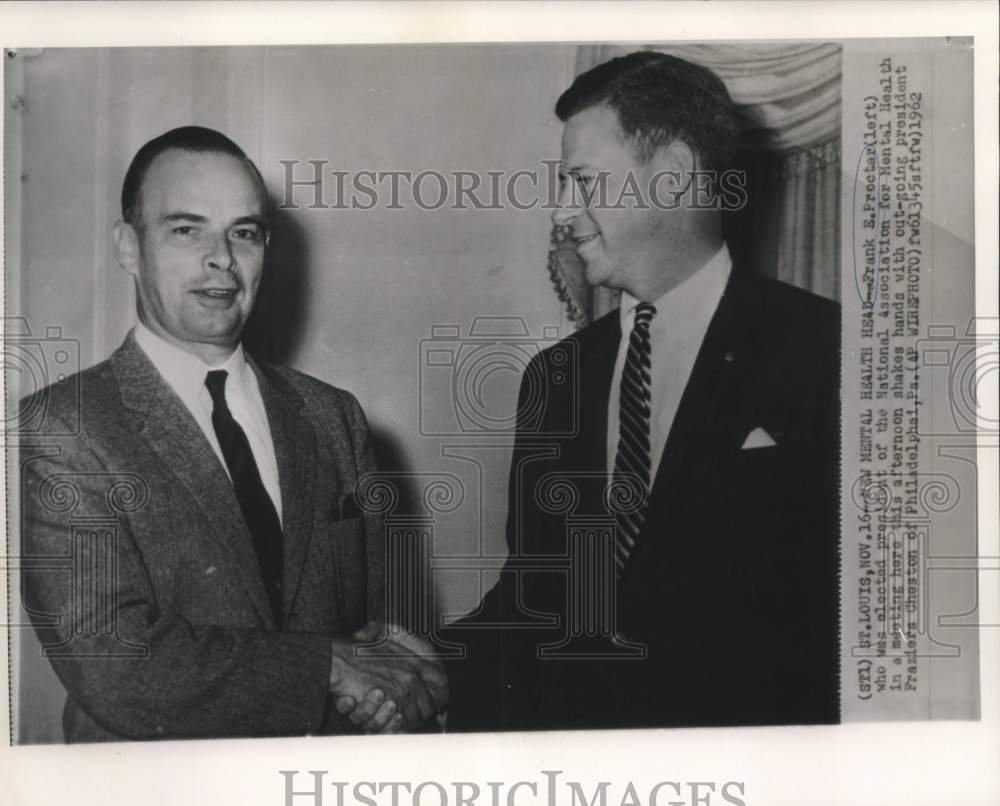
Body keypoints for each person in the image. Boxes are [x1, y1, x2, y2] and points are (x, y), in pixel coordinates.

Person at [446, 52, 840, 730]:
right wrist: (418, 667)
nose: (563, 214)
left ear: (675, 175)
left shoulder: (829, 352)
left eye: (582, 182)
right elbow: (532, 600)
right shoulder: (554, 379)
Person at [19, 126, 446, 742]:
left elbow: (386, 635)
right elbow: (115, 663)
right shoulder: (65, 427)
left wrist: (396, 691)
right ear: (128, 247)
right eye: (186, 229)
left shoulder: (332, 416)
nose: (222, 258)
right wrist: (327, 667)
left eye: (244, 232)